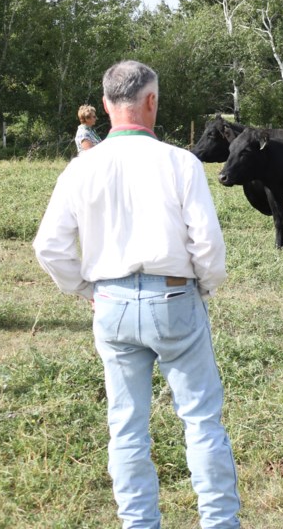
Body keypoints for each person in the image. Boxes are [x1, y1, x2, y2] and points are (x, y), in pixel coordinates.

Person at [33, 61, 240, 528]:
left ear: (106, 106)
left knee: (126, 426)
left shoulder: (82, 167)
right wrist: (203, 286)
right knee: (201, 420)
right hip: (174, 299)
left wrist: (86, 288)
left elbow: (49, 245)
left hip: (112, 304)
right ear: (152, 101)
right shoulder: (179, 162)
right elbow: (207, 244)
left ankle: (139, 523)